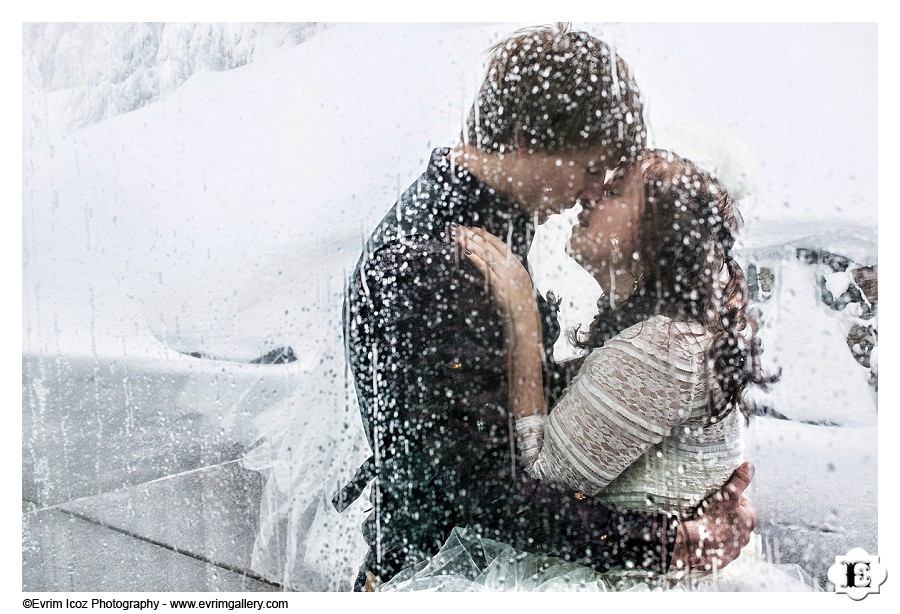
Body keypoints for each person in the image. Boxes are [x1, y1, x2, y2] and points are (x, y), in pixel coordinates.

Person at [340, 26, 757, 591]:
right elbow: (484, 488)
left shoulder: (499, 215)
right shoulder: (436, 260)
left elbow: (512, 406)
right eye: (590, 168)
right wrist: (669, 543)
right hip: (434, 569)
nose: (591, 192)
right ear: (522, 140)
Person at [422, 149, 816, 590]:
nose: (587, 198)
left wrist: (522, 323)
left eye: (613, 191)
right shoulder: (672, 338)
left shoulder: (661, 349)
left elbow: (537, 485)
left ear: (658, 236)